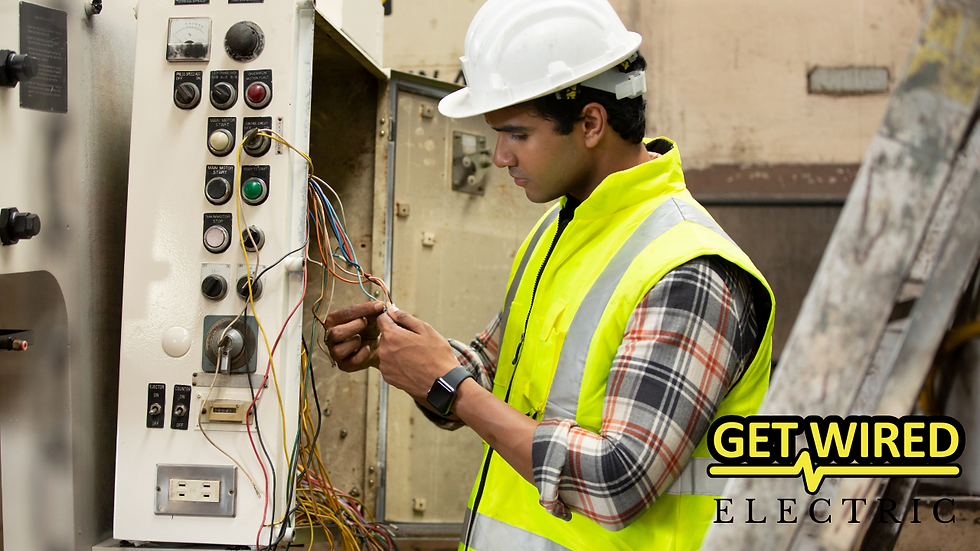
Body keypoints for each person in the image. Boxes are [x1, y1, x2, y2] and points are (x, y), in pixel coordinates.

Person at [324, 0, 775, 549]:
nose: (499, 157)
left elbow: (619, 480)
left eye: (517, 134)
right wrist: (403, 351)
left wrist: (450, 385)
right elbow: (492, 377)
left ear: (590, 122)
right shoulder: (558, 229)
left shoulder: (689, 269)